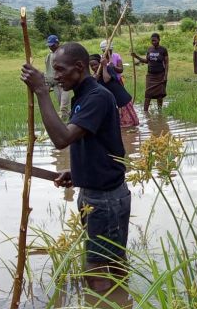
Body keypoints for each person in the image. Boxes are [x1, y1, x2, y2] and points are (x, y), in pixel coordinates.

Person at [20, 42, 131, 292]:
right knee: (111, 262)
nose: (56, 76)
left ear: (79, 67)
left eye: (60, 70)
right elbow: (96, 144)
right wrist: (77, 173)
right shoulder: (84, 96)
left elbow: (61, 139)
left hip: (105, 200)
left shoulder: (97, 97)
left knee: (97, 270)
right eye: (54, 71)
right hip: (97, 193)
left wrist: (41, 91)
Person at [89, 54, 140, 128]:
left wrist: (104, 66)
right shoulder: (95, 76)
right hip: (113, 104)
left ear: (100, 63)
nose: (94, 67)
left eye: (95, 65)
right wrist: (94, 80)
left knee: (129, 127)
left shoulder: (108, 68)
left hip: (122, 101)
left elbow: (106, 79)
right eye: (92, 66)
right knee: (120, 127)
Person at [131, 33, 169, 112]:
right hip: (150, 76)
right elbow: (146, 61)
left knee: (159, 95)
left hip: (160, 75)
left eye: (155, 40)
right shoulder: (149, 49)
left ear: (159, 40)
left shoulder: (163, 50)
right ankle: (145, 112)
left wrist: (165, 76)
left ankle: (160, 111)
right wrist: (136, 56)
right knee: (148, 94)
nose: (153, 42)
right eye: (152, 41)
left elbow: (167, 63)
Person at [44, 35, 71, 121]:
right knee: (61, 106)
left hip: (64, 83)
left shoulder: (64, 53)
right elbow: (48, 71)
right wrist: (48, 83)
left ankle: (64, 125)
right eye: (49, 45)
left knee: (63, 107)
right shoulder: (49, 57)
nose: (51, 47)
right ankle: (68, 121)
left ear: (57, 43)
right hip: (55, 84)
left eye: (52, 45)